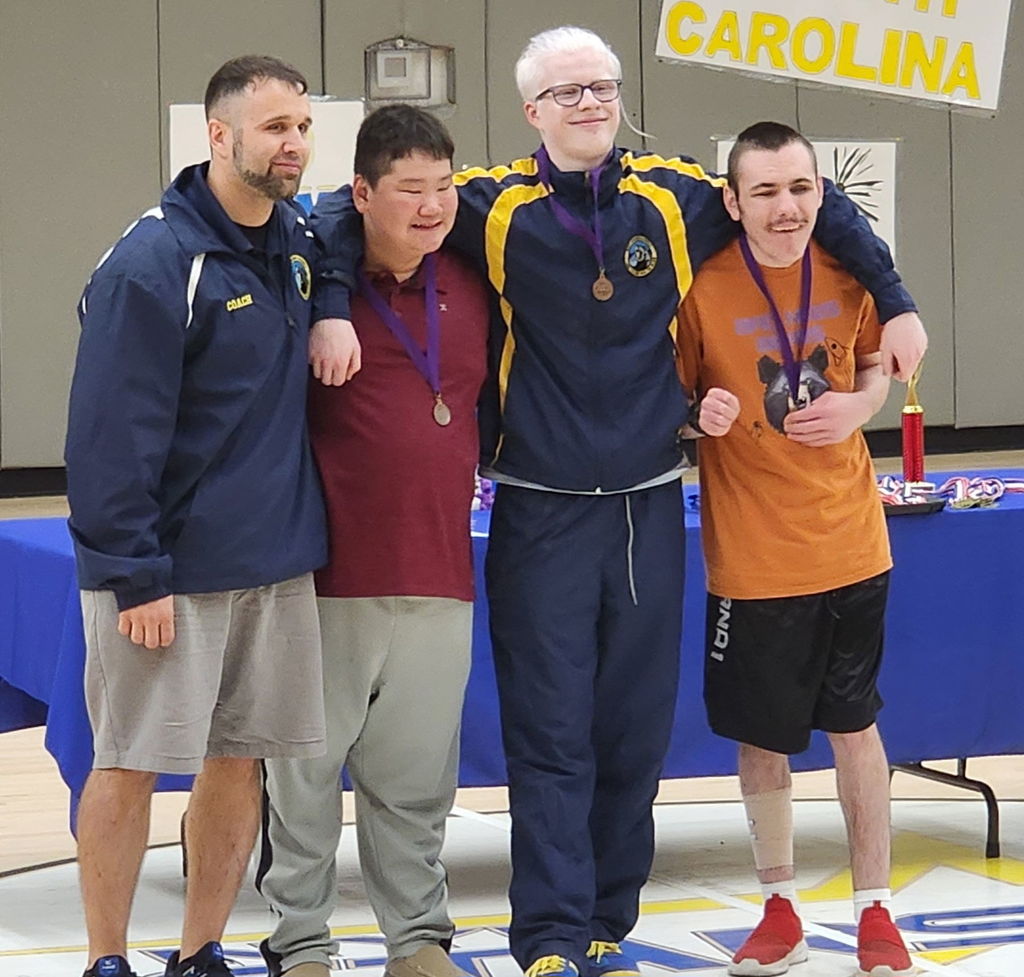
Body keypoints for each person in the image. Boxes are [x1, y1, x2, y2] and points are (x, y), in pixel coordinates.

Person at [306, 27, 927, 977]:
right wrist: (334, 303)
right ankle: (550, 936)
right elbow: (349, 216)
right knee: (549, 729)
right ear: (532, 112)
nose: (589, 103)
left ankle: (607, 921)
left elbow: (801, 194)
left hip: (647, 507)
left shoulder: (675, 195)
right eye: (566, 93)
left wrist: (896, 297)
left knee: (631, 731)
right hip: (541, 509)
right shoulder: (489, 204)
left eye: (601, 86)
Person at [65, 55, 327, 977]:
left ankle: (201, 949)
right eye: (272, 128)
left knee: (239, 763)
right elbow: (106, 438)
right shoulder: (154, 261)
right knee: (129, 763)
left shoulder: (293, 236)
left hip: (274, 564)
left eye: (300, 126)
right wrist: (134, 572)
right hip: (168, 575)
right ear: (218, 137)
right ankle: (106, 958)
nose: (292, 143)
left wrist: (330, 309)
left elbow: (337, 250)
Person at [256, 105, 489, 977]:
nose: (432, 208)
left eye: (443, 189)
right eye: (410, 191)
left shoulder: (469, 279)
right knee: (305, 780)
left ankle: (417, 938)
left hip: (441, 570)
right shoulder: (311, 280)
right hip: (326, 576)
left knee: (417, 780)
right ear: (361, 192)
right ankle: (301, 942)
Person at [676, 121, 913, 977]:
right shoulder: (698, 286)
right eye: (765, 192)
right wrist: (694, 413)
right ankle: (779, 905)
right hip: (753, 558)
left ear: (824, 192)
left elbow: (879, 367)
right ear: (732, 201)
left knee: (858, 727)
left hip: (852, 542)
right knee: (762, 740)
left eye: (801, 188)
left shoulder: (853, 272)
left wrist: (862, 404)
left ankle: (875, 910)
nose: (786, 208)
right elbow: (675, 395)